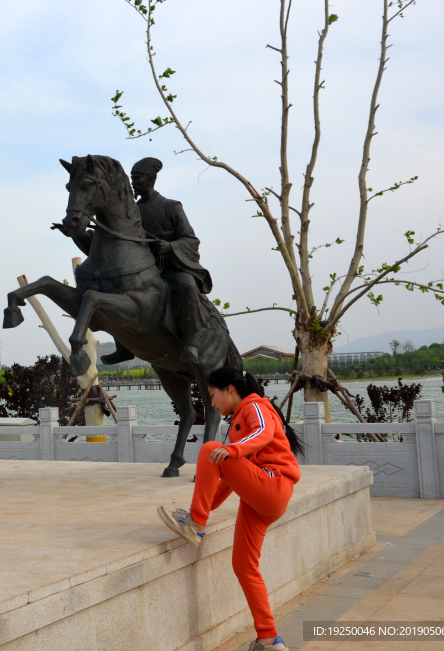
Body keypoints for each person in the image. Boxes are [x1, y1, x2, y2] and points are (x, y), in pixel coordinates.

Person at [157, 368, 305, 651]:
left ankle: (196, 525)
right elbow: (226, 478)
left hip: (274, 485)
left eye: (212, 395)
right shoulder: (237, 421)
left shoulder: (255, 405)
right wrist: (207, 504)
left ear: (230, 390)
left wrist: (199, 517)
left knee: (209, 449)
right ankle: (269, 640)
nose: (212, 403)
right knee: (244, 566)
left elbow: (265, 432)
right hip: (260, 499)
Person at [85, 157, 214, 366]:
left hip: (169, 269)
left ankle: (192, 339)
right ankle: (124, 347)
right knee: (113, 290)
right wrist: (77, 234)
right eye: (132, 179)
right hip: (138, 271)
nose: (133, 184)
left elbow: (191, 239)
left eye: (137, 179)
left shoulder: (171, 207)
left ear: (151, 179)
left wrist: (170, 246)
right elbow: (109, 248)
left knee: (186, 284)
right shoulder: (130, 213)